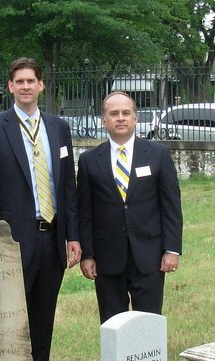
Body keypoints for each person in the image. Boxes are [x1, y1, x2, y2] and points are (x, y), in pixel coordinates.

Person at [0, 57, 81, 361]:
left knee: (42, 315)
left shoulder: (59, 128)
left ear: (41, 85)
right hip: (11, 239)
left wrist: (73, 236)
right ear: (9, 86)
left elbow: (68, 186)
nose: (25, 87)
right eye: (18, 81)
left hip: (51, 237)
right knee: (9, 317)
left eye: (30, 81)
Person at [77, 91, 182, 324]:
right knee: (112, 323)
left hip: (150, 256)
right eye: (114, 114)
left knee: (149, 322)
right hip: (107, 258)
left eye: (126, 113)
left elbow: (171, 206)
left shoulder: (158, 154)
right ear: (104, 121)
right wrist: (88, 254)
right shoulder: (89, 160)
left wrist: (172, 249)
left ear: (135, 119)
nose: (121, 118)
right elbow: (84, 212)